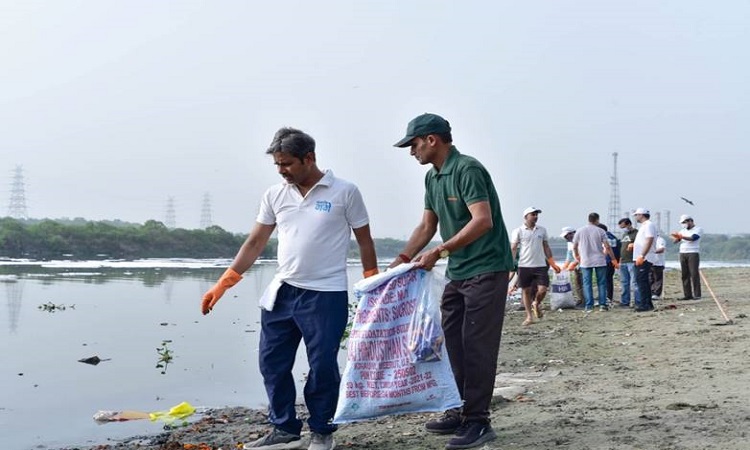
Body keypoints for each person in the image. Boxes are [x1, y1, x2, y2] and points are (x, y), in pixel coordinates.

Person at [201, 127, 378, 450]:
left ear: (309, 158)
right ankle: (284, 428)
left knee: (322, 365)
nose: (282, 171)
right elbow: (255, 242)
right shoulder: (275, 194)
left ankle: (323, 431)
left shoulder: (344, 192)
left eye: (287, 164)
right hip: (282, 292)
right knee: (271, 362)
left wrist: (372, 282)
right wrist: (223, 284)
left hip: (325, 295)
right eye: (277, 165)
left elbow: (364, 240)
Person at [391, 113, 513, 450]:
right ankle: (459, 409)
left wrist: (440, 251)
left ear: (432, 140)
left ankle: (478, 421)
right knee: (452, 344)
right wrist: (401, 261)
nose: (411, 152)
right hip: (459, 272)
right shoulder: (433, 178)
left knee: (477, 345)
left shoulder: (467, 169)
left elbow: (483, 220)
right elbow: (427, 226)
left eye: (413, 144)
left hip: (487, 269)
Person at [511, 207, 561, 325]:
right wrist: (510, 263)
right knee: (526, 291)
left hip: (540, 265)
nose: (535, 216)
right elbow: (513, 248)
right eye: (533, 214)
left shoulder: (542, 230)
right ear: (526, 216)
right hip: (524, 265)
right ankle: (529, 316)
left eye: (536, 214)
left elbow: (546, 247)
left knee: (543, 289)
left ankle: (536, 303)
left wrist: (553, 263)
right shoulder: (518, 231)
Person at [572, 213, 619, 312]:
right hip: (600, 260)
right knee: (601, 283)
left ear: (588, 219)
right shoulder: (601, 231)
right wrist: (614, 259)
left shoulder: (580, 231)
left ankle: (589, 306)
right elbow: (607, 246)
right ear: (597, 220)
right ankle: (602, 305)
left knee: (587, 283)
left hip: (585, 260)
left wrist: (577, 256)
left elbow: (575, 246)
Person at [671, 214, 703, 300]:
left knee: (694, 273)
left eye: (684, 222)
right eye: (682, 223)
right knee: (684, 274)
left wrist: (681, 237)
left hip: (693, 252)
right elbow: (676, 241)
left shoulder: (698, 229)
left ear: (690, 221)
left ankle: (697, 294)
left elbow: (693, 238)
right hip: (683, 252)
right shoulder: (682, 230)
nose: (683, 224)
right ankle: (687, 294)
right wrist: (676, 237)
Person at [632, 208, 657, 312]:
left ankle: (644, 304)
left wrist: (642, 255)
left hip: (644, 258)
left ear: (642, 215)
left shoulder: (648, 225)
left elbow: (649, 239)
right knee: (642, 281)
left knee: (641, 281)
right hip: (640, 257)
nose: (635, 217)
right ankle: (647, 303)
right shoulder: (644, 226)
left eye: (636, 215)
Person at [617, 218, 640, 308]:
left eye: (624, 227)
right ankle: (625, 301)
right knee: (624, 282)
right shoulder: (624, 234)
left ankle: (637, 301)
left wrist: (634, 245)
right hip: (623, 261)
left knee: (634, 283)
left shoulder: (637, 233)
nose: (623, 229)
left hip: (632, 261)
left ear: (629, 224)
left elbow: (642, 244)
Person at [596, 223, 621, 303]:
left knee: (606, 279)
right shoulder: (612, 237)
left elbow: (607, 249)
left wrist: (601, 258)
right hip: (611, 261)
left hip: (607, 261)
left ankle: (608, 297)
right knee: (608, 279)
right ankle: (607, 296)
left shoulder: (607, 237)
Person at [560, 226, 584, 304]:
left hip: (584, 264)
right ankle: (581, 299)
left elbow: (583, 254)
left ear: (572, 233)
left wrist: (574, 263)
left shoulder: (581, 240)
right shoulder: (569, 243)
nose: (566, 238)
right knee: (577, 282)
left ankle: (586, 300)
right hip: (577, 265)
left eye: (567, 236)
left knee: (584, 283)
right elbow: (569, 255)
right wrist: (565, 265)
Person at [651, 233, 667, 299]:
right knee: (650, 278)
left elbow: (662, 249)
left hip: (658, 263)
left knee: (657, 279)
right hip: (650, 262)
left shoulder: (660, 240)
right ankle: (651, 292)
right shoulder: (650, 240)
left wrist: (651, 252)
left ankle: (656, 294)